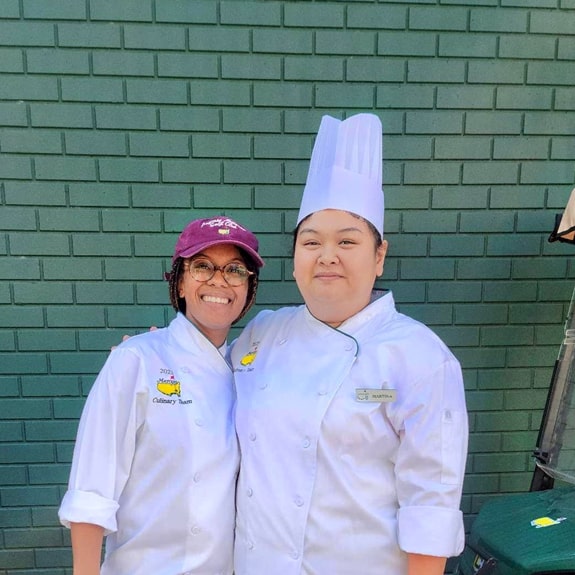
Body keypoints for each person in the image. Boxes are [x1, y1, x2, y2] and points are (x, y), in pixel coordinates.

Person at [231, 114, 468, 575]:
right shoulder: (262, 333)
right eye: (311, 241)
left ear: (380, 256)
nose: (327, 256)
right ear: (296, 257)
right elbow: (204, 386)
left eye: (347, 241)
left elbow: (430, 510)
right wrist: (162, 355)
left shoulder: (419, 357)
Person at [58, 216, 264, 575]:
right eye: (202, 266)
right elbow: (92, 491)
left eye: (235, 270)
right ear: (180, 284)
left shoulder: (248, 373)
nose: (219, 280)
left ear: (248, 289)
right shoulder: (135, 359)